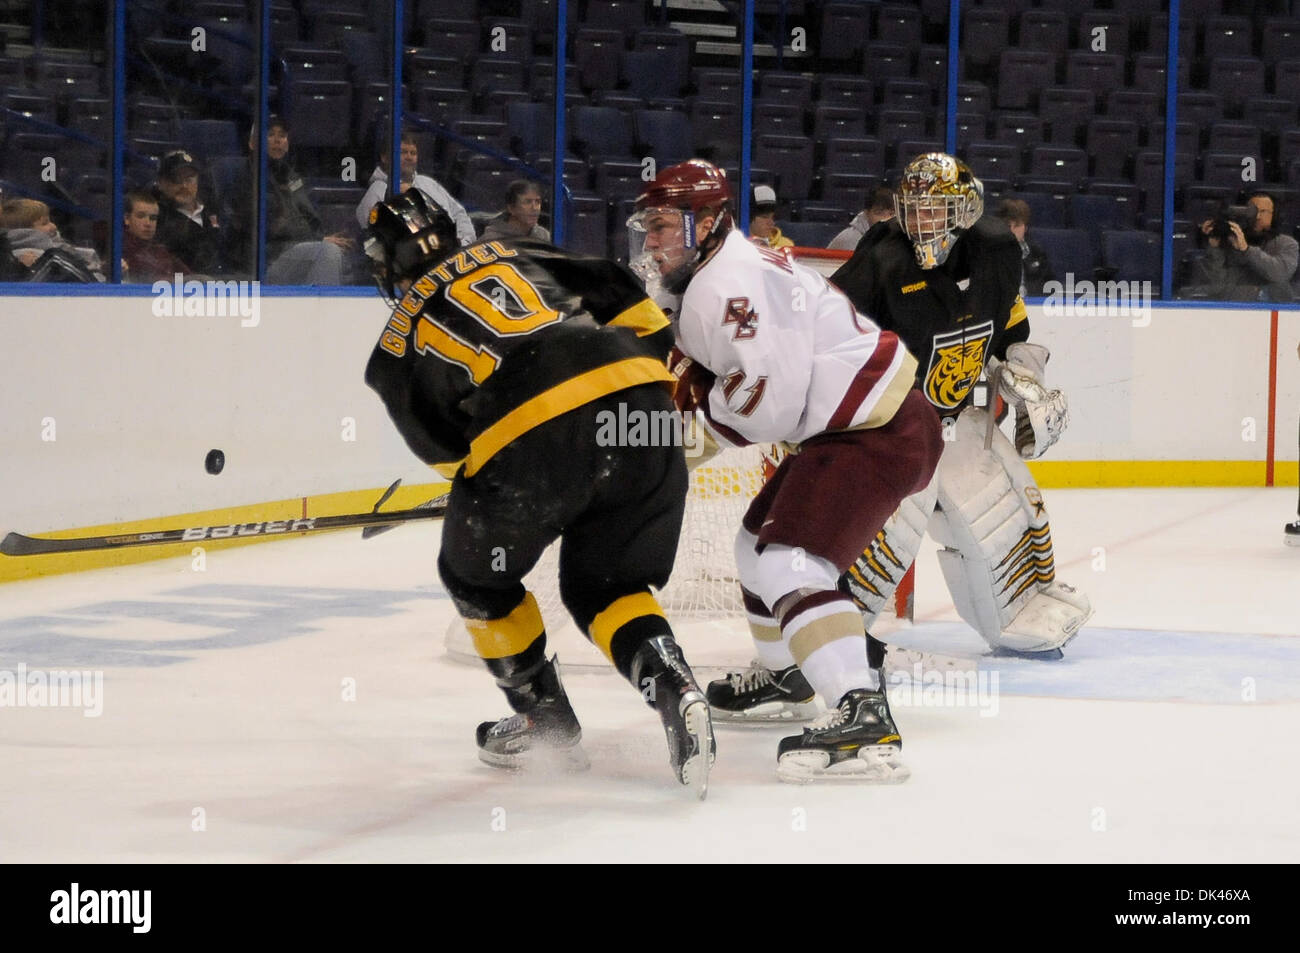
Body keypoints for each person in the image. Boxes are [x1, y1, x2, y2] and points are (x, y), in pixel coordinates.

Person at [711, 153, 1093, 724]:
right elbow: (824, 331)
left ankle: (1017, 602)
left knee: (1014, 571)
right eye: (914, 210)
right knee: (844, 567)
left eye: (937, 209)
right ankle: (806, 668)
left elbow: (1011, 330)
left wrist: (1026, 379)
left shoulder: (996, 248)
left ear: (965, 209)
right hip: (887, 430)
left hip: (960, 427)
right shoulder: (883, 259)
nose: (923, 222)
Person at [362, 191, 715, 795]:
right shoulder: (518, 248)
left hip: (536, 439)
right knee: (606, 583)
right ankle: (675, 685)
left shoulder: (394, 344)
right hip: (646, 409)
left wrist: (503, 489)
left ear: (386, 264)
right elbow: (639, 311)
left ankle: (542, 717)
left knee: (473, 575)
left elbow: (449, 454)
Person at [627, 159, 944, 782]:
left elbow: (769, 406)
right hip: (849, 427)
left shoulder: (730, 285)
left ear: (708, 222)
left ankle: (862, 716)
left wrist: (688, 437)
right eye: (650, 226)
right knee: (754, 546)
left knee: (789, 563)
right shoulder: (718, 273)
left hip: (876, 429)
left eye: (665, 226)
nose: (653, 242)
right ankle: (787, 678)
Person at [231, 115, 353, 284]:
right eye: (270, 135)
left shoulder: (292, 177)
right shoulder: (247, 178)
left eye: (282, 135)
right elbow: (270, 228)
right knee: (326, 253)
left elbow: (310, 217)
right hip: (266, 259)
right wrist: (316, 240)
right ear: (252, 143)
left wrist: (319, 238)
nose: (277, 140)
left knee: (343, 256)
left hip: (296, 249)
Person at [354, 132, 475, 244]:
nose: (409, 157)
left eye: (413, 153)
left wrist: (463, 243)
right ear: (385, 157)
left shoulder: (428, 183)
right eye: (403, 152)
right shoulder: (377, 190)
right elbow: (373, 238)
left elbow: (459, 215)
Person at [1196, 191, 1299, 302]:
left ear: (1274, 215)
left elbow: (1280, 274)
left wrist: (1247, 249)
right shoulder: (1230, 240)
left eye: (1264, 211)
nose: (1258, 217)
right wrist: (1215, 248)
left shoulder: (1287, 243)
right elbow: (1217, 285)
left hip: (1274, 308)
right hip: (1235, 308)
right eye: (1253, 211)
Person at [153, 150, 225, 276]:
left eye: (190, 178)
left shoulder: (216, 211)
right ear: (161, 183)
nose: (184, 186)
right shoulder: (155, 219)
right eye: (176, 180)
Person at [1, 198, 105, 279]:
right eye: (44, 223)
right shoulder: (38, 258)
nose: (53, 226)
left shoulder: (55, 249)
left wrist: (105, 268)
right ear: (24, 231)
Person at [122, 190, 194, 283]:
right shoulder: (120, 250)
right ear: (127, 219)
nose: (148, 223)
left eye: (153, 218)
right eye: (141, 216)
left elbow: (191, 278)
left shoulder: (160, 251)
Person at [997, 198, 1056, 296]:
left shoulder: (1037, 253)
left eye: (1017, 226)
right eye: (1008, 226)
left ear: (1026, 228)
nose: (1012, 230)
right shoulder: (989, 253)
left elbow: (1049, 288)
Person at [828, 185, 895, 251]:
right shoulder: (850, 239)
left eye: (891, 214)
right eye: (879, 213)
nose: (887, 219)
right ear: (866, 213)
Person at [480, 179, 550, 242]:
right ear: (511, 208)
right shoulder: (490, 240)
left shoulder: (544, 236)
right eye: (527, 202)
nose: (535, 208)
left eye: (538, 202)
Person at [747, 184, 793, 249]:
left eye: (773, 217)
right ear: (749, 218)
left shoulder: (785, 246)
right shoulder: (739, 245)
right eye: (765, 217)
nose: (771, 223)